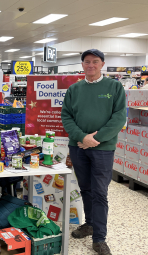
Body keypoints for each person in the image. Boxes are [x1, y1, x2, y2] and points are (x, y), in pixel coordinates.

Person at [61, 49, 126, 255]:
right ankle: (89, 224)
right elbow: (67, 116)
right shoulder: (74, 89)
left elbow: (118, 118)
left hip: (103, 149)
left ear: (102, 64)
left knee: (100, 192)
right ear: (82, 65)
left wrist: (95, 139)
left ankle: (99, 238)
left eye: (95, 62)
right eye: (87, 62)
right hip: (78, 147)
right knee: (86, 188)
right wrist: (83, 138)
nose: (91, 65)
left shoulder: (114, 87)